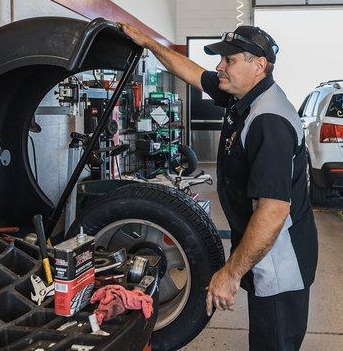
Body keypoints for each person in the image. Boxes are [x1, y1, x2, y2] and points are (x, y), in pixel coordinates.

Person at [119, 22, 318, 351]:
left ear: (259, 65)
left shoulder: (269, 121)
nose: (219, 67)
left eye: (229, 61)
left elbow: (273, 211)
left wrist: (231, 273)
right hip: (262, 251)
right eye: (221, 60)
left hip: (281, 260)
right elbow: (193, 73)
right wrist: (148, 43)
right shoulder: (244, 96)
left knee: (275, 341)